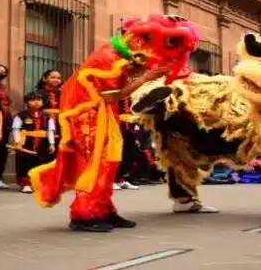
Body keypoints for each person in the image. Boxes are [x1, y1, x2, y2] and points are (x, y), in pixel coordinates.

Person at [29, 14, 199, 233]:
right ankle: (84, 214)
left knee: (110, 161)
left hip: (102, 113)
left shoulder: (119, 54)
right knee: (96, 164)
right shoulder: (107, 58)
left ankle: (104, 208)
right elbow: (111, 96)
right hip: (87, 116)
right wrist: (144, 79)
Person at [11, 92, 56, 193]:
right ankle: (25, 184)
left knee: (42, 162)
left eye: (39, 100)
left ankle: (39, 184)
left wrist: (52, 143)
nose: (36, 102)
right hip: (26, 142)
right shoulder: (21, 115)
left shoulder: (47, 116)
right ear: (27, 102)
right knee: (25, 162)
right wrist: (18, 142)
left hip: (43, 142)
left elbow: (50, 131)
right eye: (33, 100)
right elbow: (16, 129)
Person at [36, 69, 62, 145]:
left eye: (58, 78)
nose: (56, 80)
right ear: (44, 79)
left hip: (61, 123)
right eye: (53, 77)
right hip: (43, 122)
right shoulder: (38, 93)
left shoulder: (63, 93)